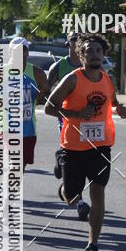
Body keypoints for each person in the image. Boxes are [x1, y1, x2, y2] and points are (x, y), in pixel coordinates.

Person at [45, 34, 126, 251]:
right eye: (89, 51)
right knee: (71, 195)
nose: (94, 55)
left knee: (98, 193)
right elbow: (50, 107)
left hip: (100, 147)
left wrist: (119, 109)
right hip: (73, 147)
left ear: (103, 55)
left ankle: (92, 245)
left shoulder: (107, 79)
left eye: (98, 51)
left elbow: (111, 101)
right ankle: (64, 185)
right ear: (80, 55)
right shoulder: (72, 79)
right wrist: (76, 114)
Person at [6, 37, 49, 171]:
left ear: (27, 52)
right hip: (8, 127)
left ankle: (11, 188)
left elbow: (46, 90)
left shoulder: (36, 73)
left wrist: (40, 96)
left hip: (29, 128)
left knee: (21, 165)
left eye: (22, 50)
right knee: (15, 163)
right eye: (15, 50)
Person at [48, 31, 81, 178]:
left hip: (85, 112)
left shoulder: (89, 64)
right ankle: (63, 159)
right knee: (70, 142)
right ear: (67, 43)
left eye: (81, 39)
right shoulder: (58, 66)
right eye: (74, 39)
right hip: (65, 113)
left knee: (82, 146)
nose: (78, 41)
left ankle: (62, 156)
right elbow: (46, 90)